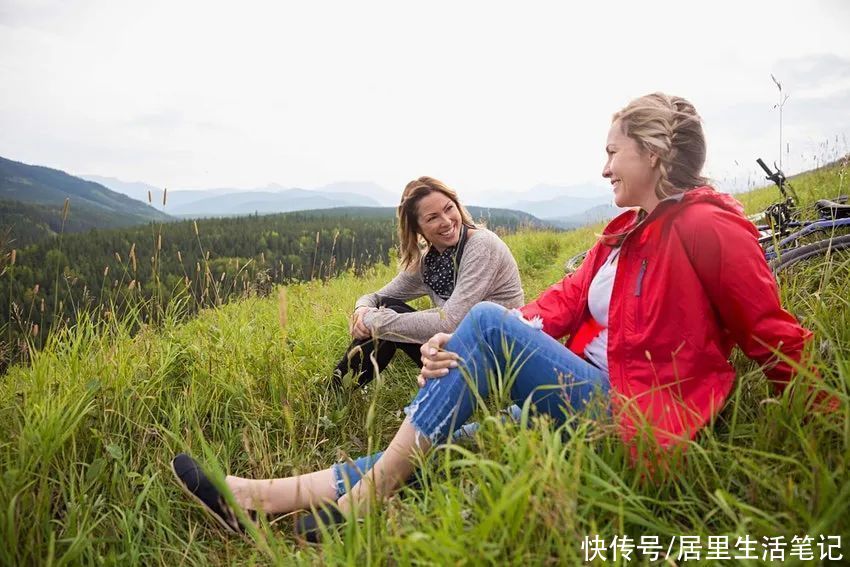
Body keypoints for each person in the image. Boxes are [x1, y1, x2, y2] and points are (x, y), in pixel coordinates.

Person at [172, 92, 832, 541]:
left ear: (653, 155)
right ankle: (254, 497)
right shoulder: (622, 234)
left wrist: (827, 433)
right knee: (438, 440)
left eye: (613, 152)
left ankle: (361, 504)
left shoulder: (709, 227)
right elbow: (558, 305)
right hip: (576, 396)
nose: (603, 166)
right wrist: (453, 340)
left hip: (634, 416)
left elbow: (772, 333)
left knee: (485, 323)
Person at [332, 175, 524, 388]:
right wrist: (361, 310)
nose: (446, 221)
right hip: (459, 348)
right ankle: (337, 392)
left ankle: (335, 391)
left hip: (496, 358)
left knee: (385, 317)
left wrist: (375, 322)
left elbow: (451, 322)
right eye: (432, 218)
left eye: (449, 208)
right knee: (386, 306)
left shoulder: (481, 245)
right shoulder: (430, 261)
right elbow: (376, 297)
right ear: (417, 229)